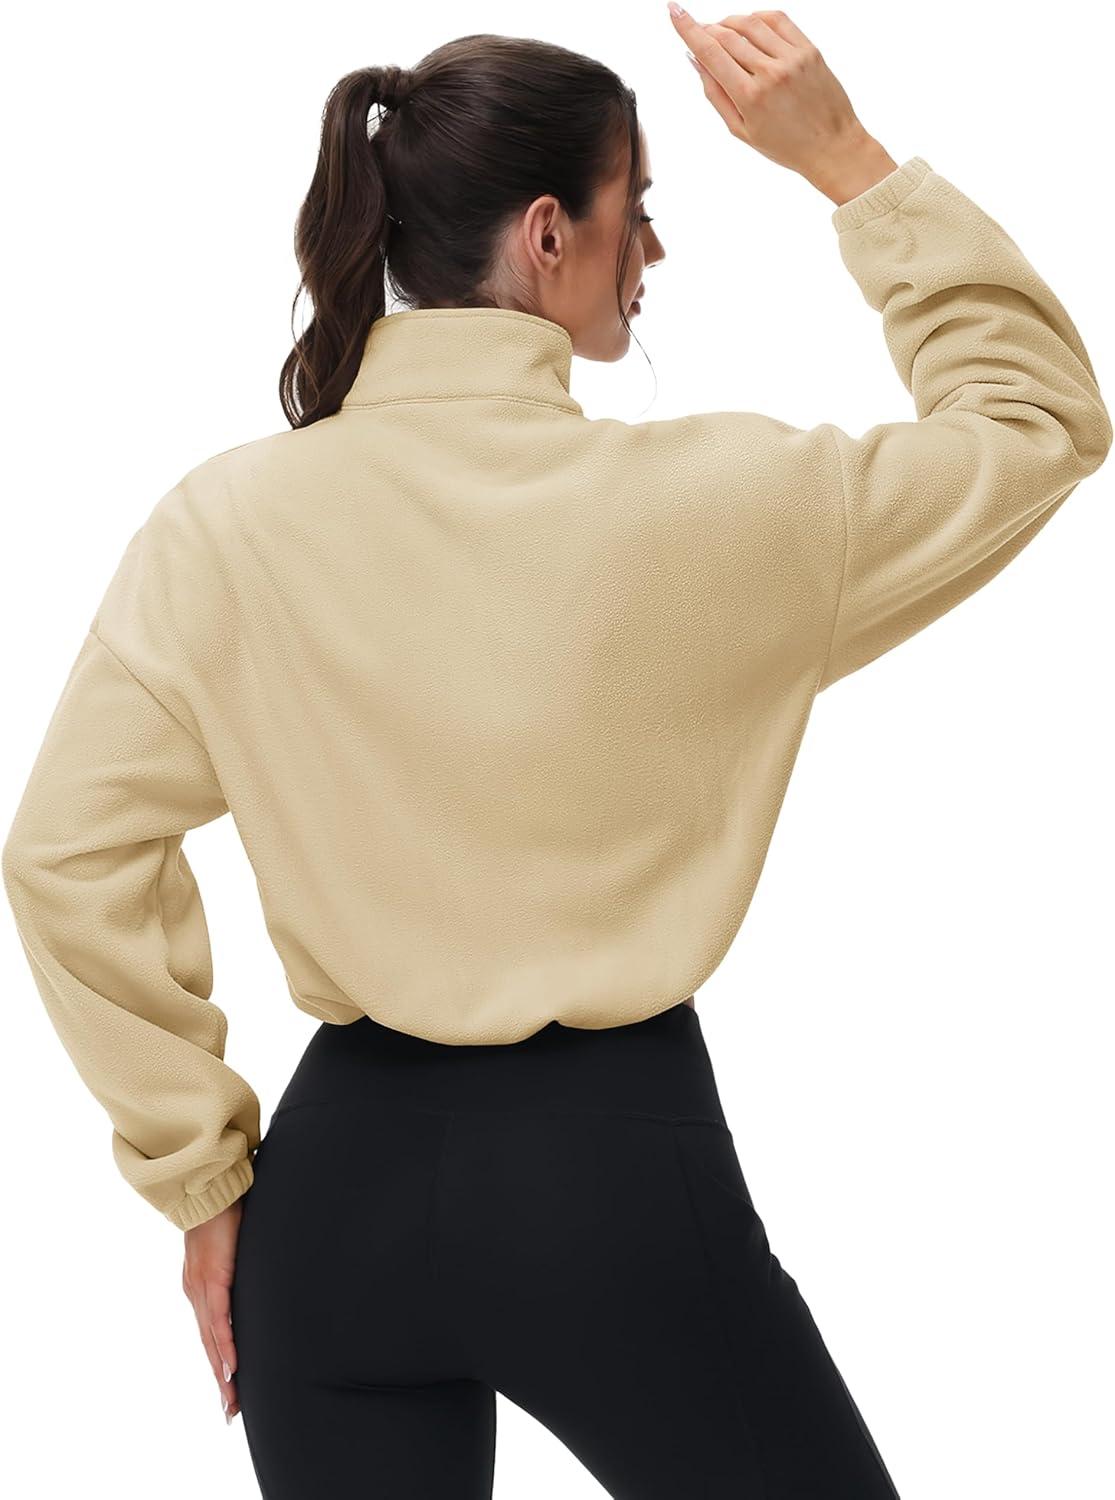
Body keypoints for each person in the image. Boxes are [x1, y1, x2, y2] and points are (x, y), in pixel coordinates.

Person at [3, 10, 1109, 1498]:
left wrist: (202, 1180)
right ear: (546, 234)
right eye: (634, 209)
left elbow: (65, 853)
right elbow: (1036, 419)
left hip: (331, 1209)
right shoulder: (715, 508)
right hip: (606, 1183)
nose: (651, 248)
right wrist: (844, 157)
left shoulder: (224, 523)